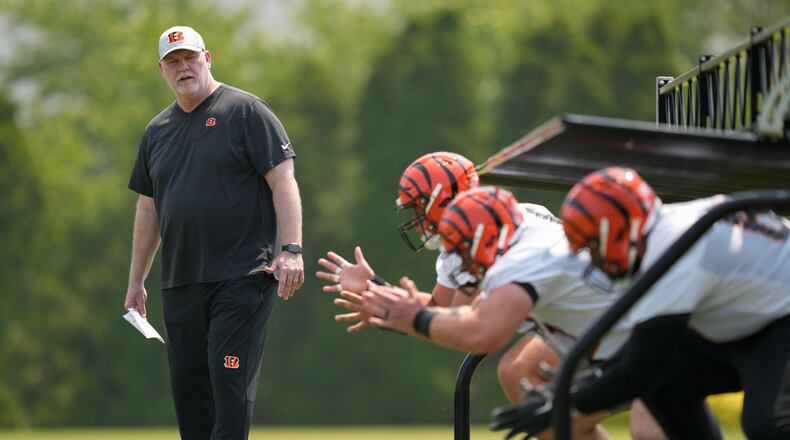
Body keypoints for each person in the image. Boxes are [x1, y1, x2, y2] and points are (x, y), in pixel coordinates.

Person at [498, 167, 790, 439]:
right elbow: (649, 362)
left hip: (778, 314)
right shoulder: (663, 232)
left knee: (769, 423)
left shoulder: (671, 248)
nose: (595, 260)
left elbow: (638, 369)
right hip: (755, 318)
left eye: (594, 246)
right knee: (664, 382)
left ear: (618, 229)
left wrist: (563, 403)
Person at [360, 186, 667, 440]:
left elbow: (480, 335)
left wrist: (410, 317)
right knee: (552, 415)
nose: (459, 265)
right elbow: (459, 317)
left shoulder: (524, 262)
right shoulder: (517, 240)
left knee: (648, 430)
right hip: (625, 345)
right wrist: (389, 301)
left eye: (462, 248)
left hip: (657, 340)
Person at [124, 25, 304, 440]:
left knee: (230, 389)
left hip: (242, 277)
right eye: (173, 62)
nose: (183, 67)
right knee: (191, 399)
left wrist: (291, 248)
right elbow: (147, 209)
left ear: (208, 58)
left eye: (190, 57)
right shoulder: (156, 132)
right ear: (162, 70)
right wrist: (136, 280)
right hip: (182, 283)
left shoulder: (246, 112)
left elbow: (283, 180)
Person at [315, 152, 567, 416]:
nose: (417, 218)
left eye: (420, 206)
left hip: (586, 310)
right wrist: (377, 290)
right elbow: (441, 307)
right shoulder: (509, 215)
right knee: (526, 382)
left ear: (443, 199)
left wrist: (398, 313)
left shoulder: (477, 233)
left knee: (518, 372)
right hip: (569, 311)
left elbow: (466, 328)